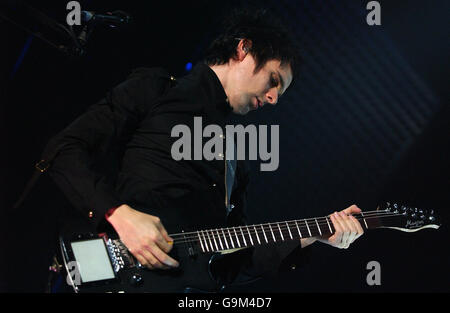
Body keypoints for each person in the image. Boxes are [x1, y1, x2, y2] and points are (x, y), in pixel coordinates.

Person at [46, 9, 364, 290]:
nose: (273, 99)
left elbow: (235, 262)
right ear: (244, 49)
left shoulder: (234, 160)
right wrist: (119, 214)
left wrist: (316, 233)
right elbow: (63, 150)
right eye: (273, 80)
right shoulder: (155, 89)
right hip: (101, 268)